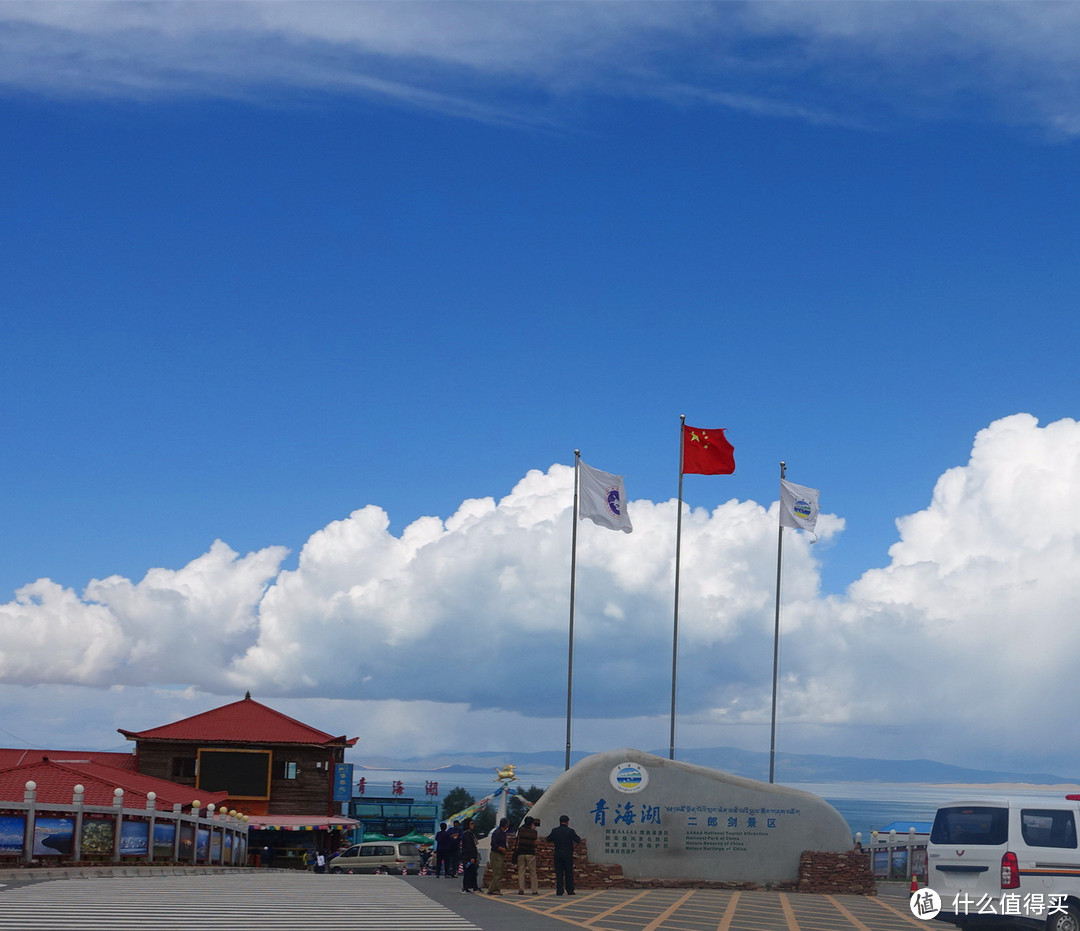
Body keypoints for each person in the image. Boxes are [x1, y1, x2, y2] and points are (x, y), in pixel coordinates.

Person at [546, 814, 582, 896]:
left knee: (559, 873)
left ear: (560, 822)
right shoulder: (570, 831)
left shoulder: (555, 830)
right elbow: (577, 840)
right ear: (567, 822)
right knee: (569, 873)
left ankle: (559, 891)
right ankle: (570, 890)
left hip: (558, 854)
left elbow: (548, 839)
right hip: (568, 855)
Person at [485, 817, 510, 895]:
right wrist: (501, 848)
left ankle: (495, 889)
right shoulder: (497, 832)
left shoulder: (503, 833)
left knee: (499, 872)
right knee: (497, 872)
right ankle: (493, 889)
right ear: (505, 824)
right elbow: (494, 844)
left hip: (501, 854)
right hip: (496, 854)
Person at [515, 816, 539, 895]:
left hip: (521, 852)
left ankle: (521, 889)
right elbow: (535, 839)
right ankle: (534, 890)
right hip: (530, 853)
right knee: (533, 872)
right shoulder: (534, 832)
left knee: (521, 872)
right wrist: (533, 828)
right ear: (532, 823)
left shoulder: (520, 830)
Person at [460, 818, 481, 893]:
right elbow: (469, 847)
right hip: (468, 858)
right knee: (468, 872)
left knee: (473, 872)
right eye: (471, 824)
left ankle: (474, 886)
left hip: (471, 857)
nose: (473, 825)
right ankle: (465, 887)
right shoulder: (467, 834)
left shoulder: (470, 833)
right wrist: (471, 857)